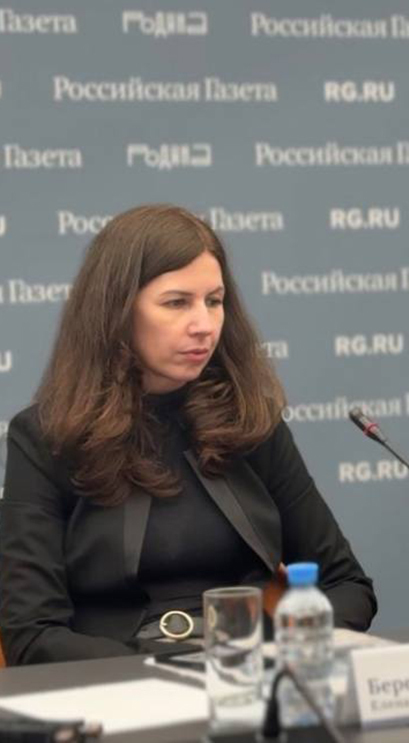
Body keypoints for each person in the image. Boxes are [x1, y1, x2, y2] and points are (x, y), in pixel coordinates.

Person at [0, 205, 376, 665]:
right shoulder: (45, 437)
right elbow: (32, 636)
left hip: (251, 673)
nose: (204, 325)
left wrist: (278, 654)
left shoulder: (250, 421)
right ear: (117, 311)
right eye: (177, 303)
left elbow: (348, 586)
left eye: (214, 301)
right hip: (120, 687)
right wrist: (160, 671)